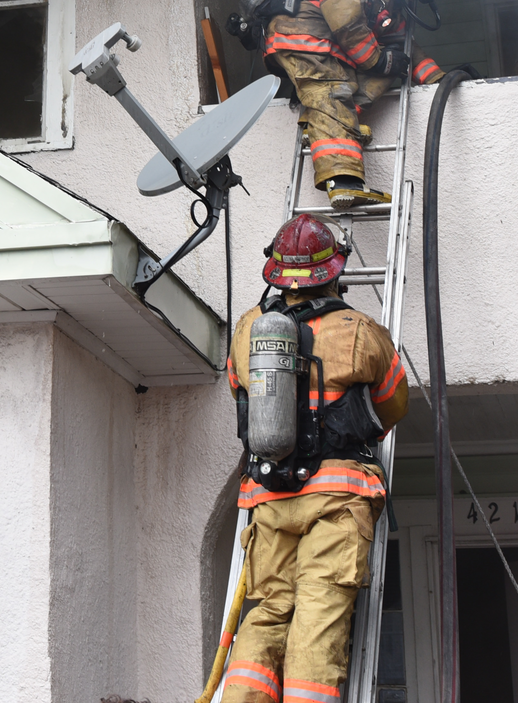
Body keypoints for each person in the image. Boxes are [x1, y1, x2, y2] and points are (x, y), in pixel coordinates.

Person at [221, 213, 410, 703]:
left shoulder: (248, 331)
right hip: (337, 499)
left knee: (264, 615)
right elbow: (393, 405)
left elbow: (240, 391)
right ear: (334, 271)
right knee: (317, 620)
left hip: (268, 497)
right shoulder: (360, 331)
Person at [263, 0, 458, 210]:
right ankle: (343, 181)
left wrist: (438, 79)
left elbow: (401, 43)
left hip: (331, 48)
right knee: (333, 91)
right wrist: (377, 60)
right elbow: (345, 19)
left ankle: (323, 124)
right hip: (303, 39)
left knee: (392, 68)